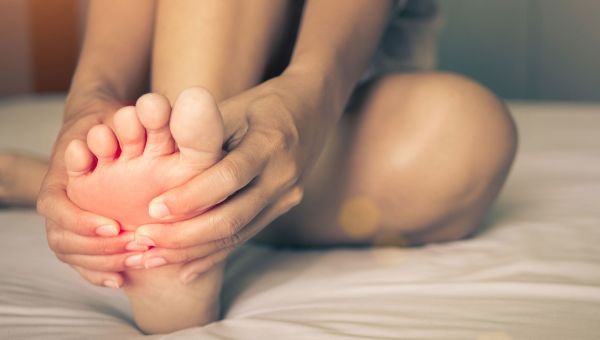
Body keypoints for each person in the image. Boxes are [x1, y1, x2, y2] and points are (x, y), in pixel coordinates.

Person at [2, 0, 517, 334]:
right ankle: (180, 246)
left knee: (468, 134)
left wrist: (307, 100)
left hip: (330, 99)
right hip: (177, 90)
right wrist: (92, 96)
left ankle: (171, 206)